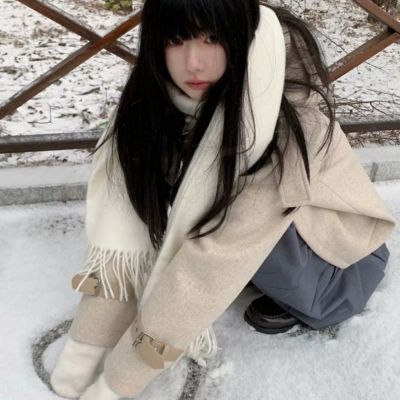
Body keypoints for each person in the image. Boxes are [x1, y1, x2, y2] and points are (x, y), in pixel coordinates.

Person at [50, 0, 396, 399]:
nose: (193, 64)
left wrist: (116, 383)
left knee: (242, 224)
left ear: (241, 34)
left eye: (213, 38)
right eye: (175, 39)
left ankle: (303, 299)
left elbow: (211, 261)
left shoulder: (286, 117)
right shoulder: (157, 96)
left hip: (338, 264)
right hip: (259, 241)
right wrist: (84, 347)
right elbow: (127, 214)